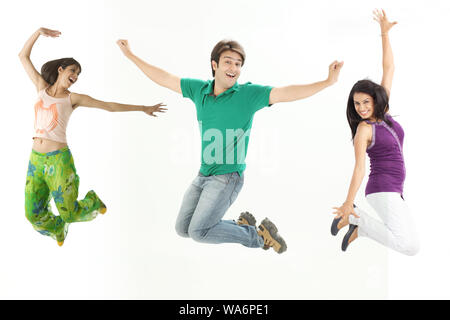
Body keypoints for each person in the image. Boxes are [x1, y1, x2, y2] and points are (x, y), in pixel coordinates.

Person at [117, 38, 343, 254]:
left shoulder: (247, 95)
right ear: (214, 65)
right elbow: (164, 77)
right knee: (183, 229)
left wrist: (327, 82)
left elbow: (286, 92)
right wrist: (130, 56)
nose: (233, 68)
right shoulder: (199, 90)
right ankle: (242, 225)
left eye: (238, 64)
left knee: (198, 232)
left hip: (227, 177)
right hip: (202, 175)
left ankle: (258, 236)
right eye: (228, 62)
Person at [19, 27, 167, 246]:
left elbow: (109, 106)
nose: (76, 76)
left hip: (58, 160)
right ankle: (58, 228)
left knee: (70, 213)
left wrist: (143, 107)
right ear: (60, 70)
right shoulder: (41, 88)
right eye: (73, 71)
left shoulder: (73, 98)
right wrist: (39, 32)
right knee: (32, 214)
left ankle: (92, 202)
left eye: (78, 74)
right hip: (35, 161)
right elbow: (23, 56)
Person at [331, 10, 419, 256]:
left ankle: (360, 228)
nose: (361, 108)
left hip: (395, 190)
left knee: (410, 240)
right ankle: (357, 220)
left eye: (365, 102)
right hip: (382, 188)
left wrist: (384, 32)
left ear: (375, 100)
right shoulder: (364, 129)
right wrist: (348, 202)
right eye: (357, 104)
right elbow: (359, 167)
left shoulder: (384, 114)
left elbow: (389, 67)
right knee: (410, 246)